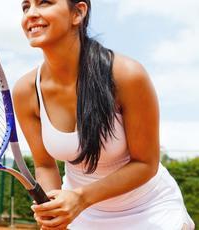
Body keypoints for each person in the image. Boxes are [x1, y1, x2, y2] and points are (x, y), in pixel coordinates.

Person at [12, 0, 195, 229]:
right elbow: (45, 166)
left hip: (149, 210)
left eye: (45, 2)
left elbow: (146, 163)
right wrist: (53, 209)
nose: (31, 14)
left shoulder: (127, 75)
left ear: (78, 13)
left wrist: (81, 198)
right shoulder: (25, 91)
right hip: (84, 215)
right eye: (25, 7)